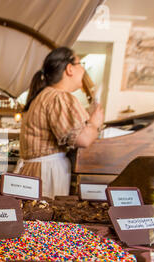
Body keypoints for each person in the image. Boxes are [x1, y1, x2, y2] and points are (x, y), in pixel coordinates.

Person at [15, 47, 104, 199]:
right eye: (80, 64)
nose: (83, 70)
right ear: (69, 69)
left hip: (35, 170)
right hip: (46, 174)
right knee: (45, 218)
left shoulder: (44, 95)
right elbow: (83, 139)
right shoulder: (59, 97)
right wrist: (95, 123)